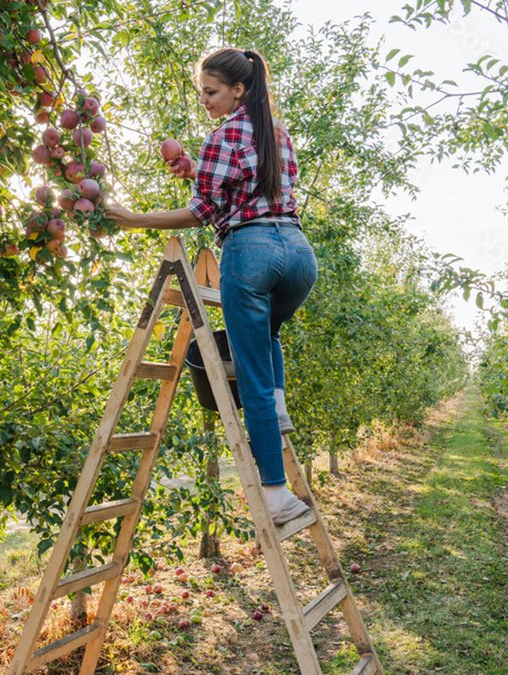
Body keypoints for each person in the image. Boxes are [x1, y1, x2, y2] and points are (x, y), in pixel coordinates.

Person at [106, 47, 318, 526]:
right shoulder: (278, 134)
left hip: (252, 254)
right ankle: (279, 413)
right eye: (201, 91)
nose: (204, 100)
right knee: (266, 338)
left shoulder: (222, 135)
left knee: (253, 382)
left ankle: (275, 495)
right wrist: (196, 171)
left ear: (237, 90)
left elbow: (203, 212)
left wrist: (132, 219)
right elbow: (247, 189)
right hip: (299, 256)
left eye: (211, 91)